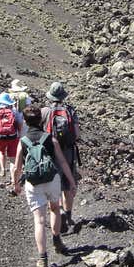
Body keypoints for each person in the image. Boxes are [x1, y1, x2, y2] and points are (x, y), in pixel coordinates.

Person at [13, 106, 75, 267]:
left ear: (25, 121)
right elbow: (62, 162)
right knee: (55, 209)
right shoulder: (51, 139)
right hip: (52, 179)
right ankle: (57, 240)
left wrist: (15, 184)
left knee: (39, 221)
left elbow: (17, 167)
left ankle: (43, 259)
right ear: (41, 120)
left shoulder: (23, 141)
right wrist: (71, 180)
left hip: (33, 183)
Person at [40, 81, 80, 233]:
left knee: (53, 183)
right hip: (68, 152)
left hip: (51, 152)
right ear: (63, 96)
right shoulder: (70, 110)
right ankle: (68, 215)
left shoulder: (44, 111)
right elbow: (77, 134)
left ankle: (58, 212)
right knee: (69, 183)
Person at [0, 92, 23, 179]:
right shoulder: (13, 110)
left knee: (1, 152)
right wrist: (20, 135)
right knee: (12, 158)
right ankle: (13, 178)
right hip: (13, 137)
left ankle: (2, 170)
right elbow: (20, 124)